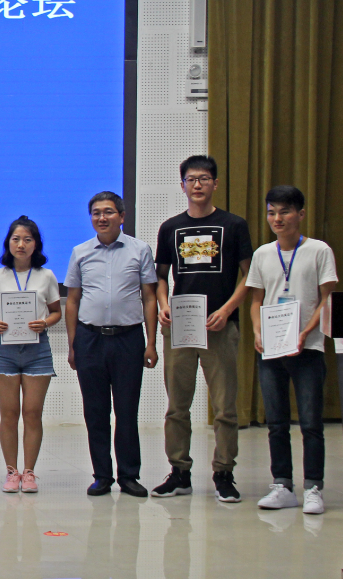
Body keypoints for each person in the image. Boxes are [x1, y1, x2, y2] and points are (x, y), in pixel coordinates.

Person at [152, 155, 251, 502]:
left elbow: (249, 275)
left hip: (219, 325)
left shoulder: (234, 225)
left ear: (215, 184)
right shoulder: (170, 227)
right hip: (181, 325)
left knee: (224, 408)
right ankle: (179, 472)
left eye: (204, 179)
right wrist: (163, 305)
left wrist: (227, 310)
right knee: (177, 406)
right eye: (191, 179)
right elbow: (160, 277)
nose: (197, 185)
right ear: (182, 185)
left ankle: (224, 473)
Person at [247, 185, 337, 515]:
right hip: (271, 350)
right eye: (271, 212)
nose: (277, 218)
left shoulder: (318, 250)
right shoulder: (262, 254)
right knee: (276, 422)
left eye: (284, 211)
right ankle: (282, 485)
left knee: (311, 423)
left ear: (300, 213)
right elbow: (256, 300)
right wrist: (257, 331)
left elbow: (327, 299)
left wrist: (305, 332)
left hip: (308, 348)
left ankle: (313, 487)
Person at [65, 191, 159, 498]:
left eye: (108, 212)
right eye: (96, 213)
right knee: (95, 412)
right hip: (90, 339)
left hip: (128, 339)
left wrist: (151, 343)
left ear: (122, 216)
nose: (101, 218)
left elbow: (149, 297)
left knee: (127, 410)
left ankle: (129, 475)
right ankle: (102, 475)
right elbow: (73, 300)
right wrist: (73, 345)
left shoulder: (139, 250)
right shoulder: (80, 252)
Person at [0, 216, 61, 493]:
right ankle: (11, 472)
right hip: (4, 350)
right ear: (8, 243)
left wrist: (45, 322)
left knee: (32, 413)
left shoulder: (46, 276)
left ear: (36, 244)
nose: (21, 244)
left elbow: (56, 311)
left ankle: (29, 473)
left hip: (37, 350)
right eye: (16, 239)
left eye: (28, 239)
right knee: (9, 413)